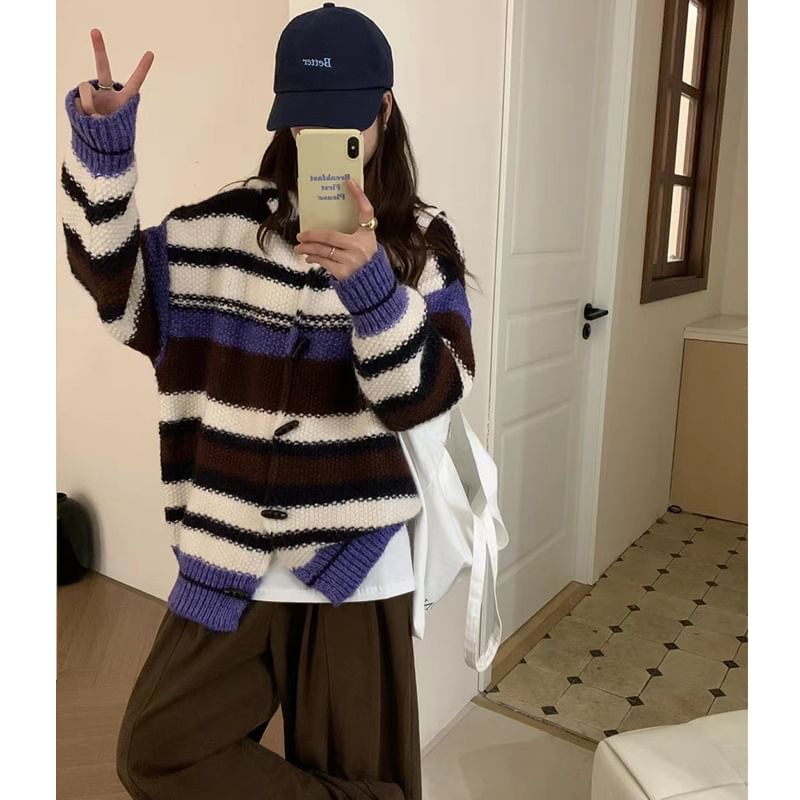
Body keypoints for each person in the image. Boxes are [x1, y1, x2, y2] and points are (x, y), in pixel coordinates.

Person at [60, 4, 477, 798]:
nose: (320, 141)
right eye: (305, 121)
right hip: (229, 553)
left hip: (356, 562)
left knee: (361, 767)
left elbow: (432, 395)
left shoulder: (424, 245)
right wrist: (103, 153)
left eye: (343, 121)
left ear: (385, 109)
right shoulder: (218, 230)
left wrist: (374, 292)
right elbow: (119, 294)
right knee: (155, 751)